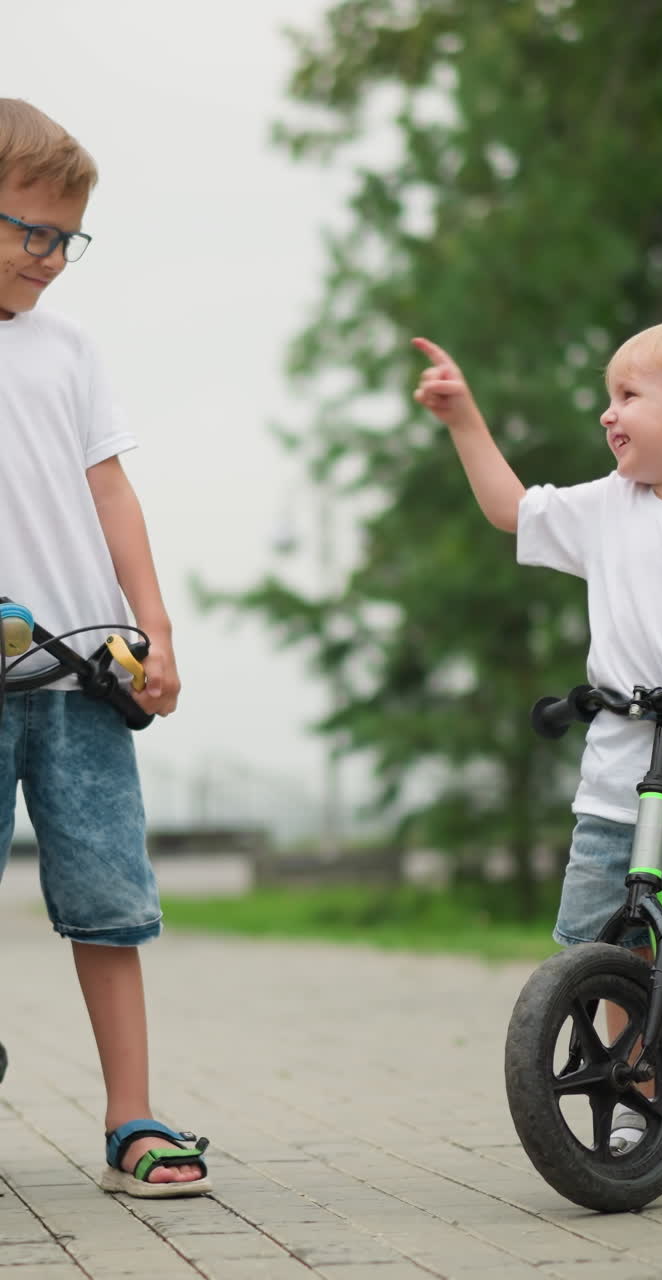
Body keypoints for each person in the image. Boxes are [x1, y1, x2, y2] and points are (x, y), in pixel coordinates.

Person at [413, 317, 662, 1150]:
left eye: (627, 395)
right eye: (606, 397)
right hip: (621, 775)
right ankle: (638, 1100)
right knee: (610, 946)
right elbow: (511, 509)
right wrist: (464, 419)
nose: (606, 413)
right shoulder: (610, 506)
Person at [0, 98, 210, 1196]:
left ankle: (133, 1114)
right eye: (31, 231)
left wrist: (154, 627)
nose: (50, 257)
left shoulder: (70, 348)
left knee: (109, 901)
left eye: (66, 239)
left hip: (82, 674)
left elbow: (110, 489)